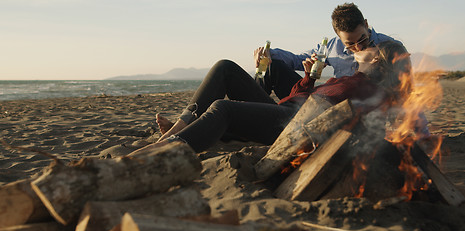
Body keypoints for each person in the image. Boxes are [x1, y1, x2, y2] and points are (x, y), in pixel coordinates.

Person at [129, 40, 411, 156]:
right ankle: (179, 130)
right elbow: (302, 97)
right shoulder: (353, 80)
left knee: (222, 108)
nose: (362, 48)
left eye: (369, 47)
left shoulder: (367, 89)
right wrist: (311, 77)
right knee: (225, 67)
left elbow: (323, 115)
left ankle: (167, 151)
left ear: (376, 58)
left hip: (293, 126)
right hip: (290, 113)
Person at [255, 2, 400, 100]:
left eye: (362, 40)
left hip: (359, 112)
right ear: (339, 37)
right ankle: (254, 111)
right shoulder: (332, 47)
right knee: (273, 67)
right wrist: (269, 54)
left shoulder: (389, 47)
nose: (359, 47)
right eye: (350, 44)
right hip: (326, 100)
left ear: (366, 24)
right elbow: (297, 60)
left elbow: (406, 87)